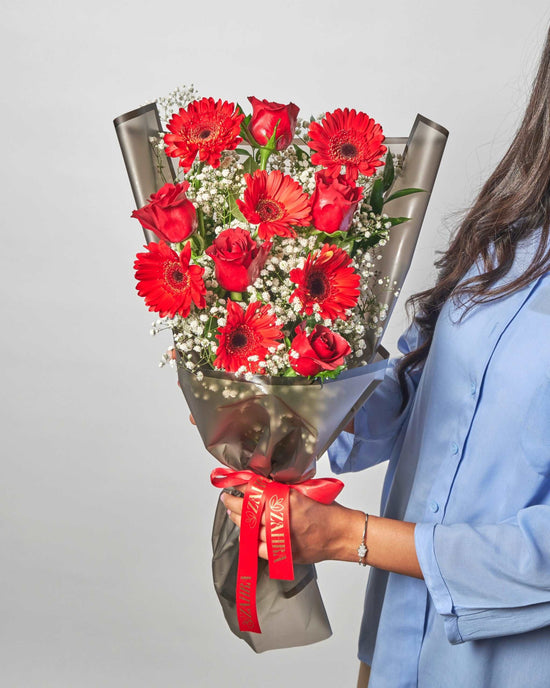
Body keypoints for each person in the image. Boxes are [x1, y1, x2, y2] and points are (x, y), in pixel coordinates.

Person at [221, 25, 550, 688]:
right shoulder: (512, 227)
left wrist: (350, 536)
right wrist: (304, 393)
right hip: (397, 647)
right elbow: (417, 394)